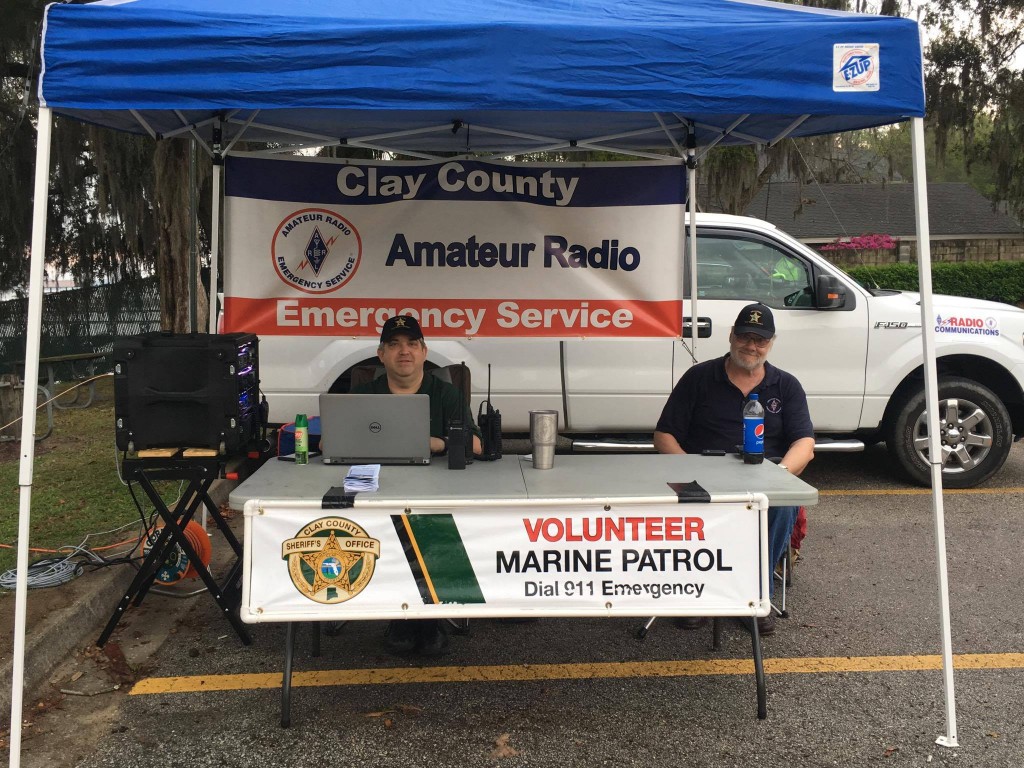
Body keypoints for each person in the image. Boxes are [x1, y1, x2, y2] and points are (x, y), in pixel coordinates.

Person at [653, 302, 814, 636]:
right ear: (731, 336)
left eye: (760, 340)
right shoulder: (699, 377)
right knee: (689, 504)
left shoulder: (786, 386)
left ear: (771, 343)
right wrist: (688, 476)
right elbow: (664, 435)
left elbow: (805, 444)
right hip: (701, 473)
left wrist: (779, 475)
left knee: (782, 504)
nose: (751, 346)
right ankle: (697, 593)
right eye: (745, 337)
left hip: (763, 475)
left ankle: (755, 595)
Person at [350, 314, 482, 655]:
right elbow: (334, 442)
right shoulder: (364, 394)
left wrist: (438, 443)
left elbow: (478, 445)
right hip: (378, 491)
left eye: (411, 344)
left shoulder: (447, 393)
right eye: (393, 345)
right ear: (381, 355)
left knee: (426, 521)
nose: (403, 351)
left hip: (436, 493)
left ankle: (426, 616)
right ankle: (402, 614)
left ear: (424, 351)